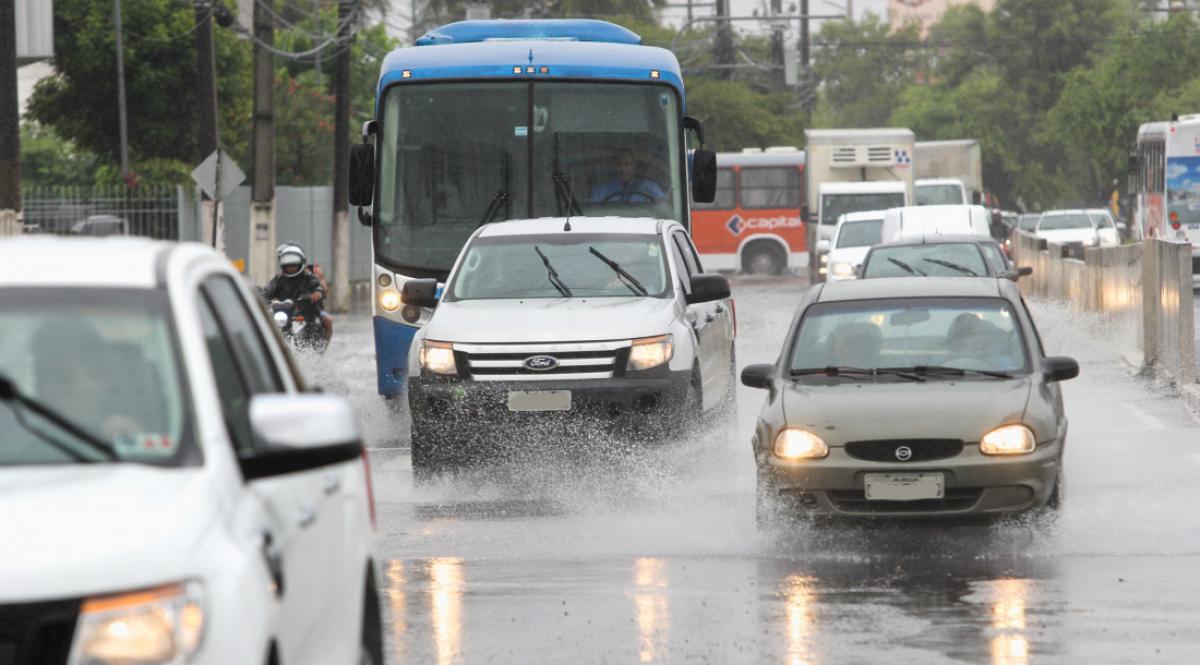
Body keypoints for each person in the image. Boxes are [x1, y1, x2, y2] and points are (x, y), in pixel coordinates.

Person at [263, 244, 331, 339]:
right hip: (285, 311)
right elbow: (268, 291)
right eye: (288, 266)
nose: (290, 268)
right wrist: (260, 297)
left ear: (300, 263)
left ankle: (322, 346)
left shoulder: (310, 276)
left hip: (307, 311)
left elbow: (318, 287)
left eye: (293, 265)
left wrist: (317, 294)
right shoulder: (279, 279)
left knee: (327, 320)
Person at [590, 148, 666, 204]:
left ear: (634, 165)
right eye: (619, 164)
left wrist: (655, 202)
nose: (623, 169)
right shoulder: (601, 191)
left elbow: (663, 206)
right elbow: (594, 213)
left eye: (627, 164)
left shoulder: (651, 187)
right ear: (613, 166)